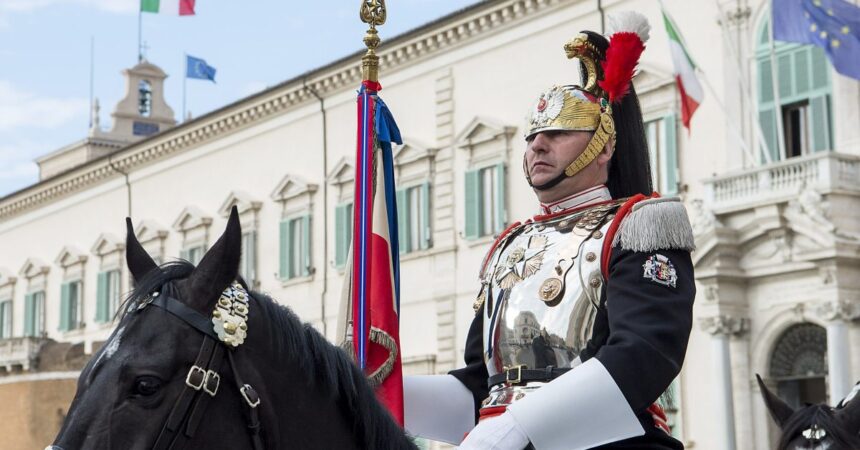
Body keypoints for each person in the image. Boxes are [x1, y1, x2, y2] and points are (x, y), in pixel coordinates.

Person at [403, 12, 696, 450]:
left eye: (559, 132)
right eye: (533, 134)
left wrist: (522, 425)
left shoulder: (638, 227)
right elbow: (480, 387)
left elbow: (644, 353)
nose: (538, 143)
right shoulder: (510, 247)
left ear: (604, 145)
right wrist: (384, 393)